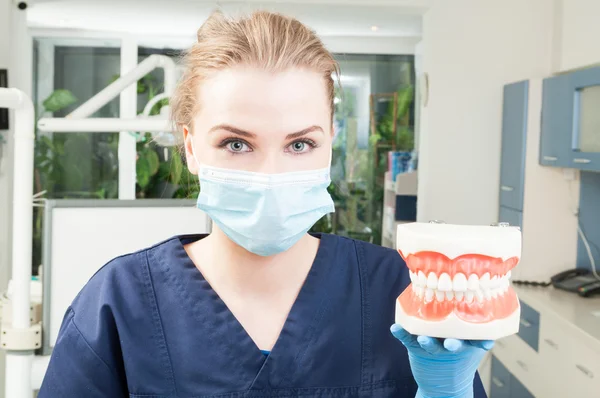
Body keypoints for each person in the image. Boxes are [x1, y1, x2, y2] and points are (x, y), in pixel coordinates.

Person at [39, 10, 491, 398]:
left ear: (329, 145)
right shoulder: (119, 305)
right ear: (191, 148)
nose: (270, 174)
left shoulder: (399, 288)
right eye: (236, 144)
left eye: (300, 145)